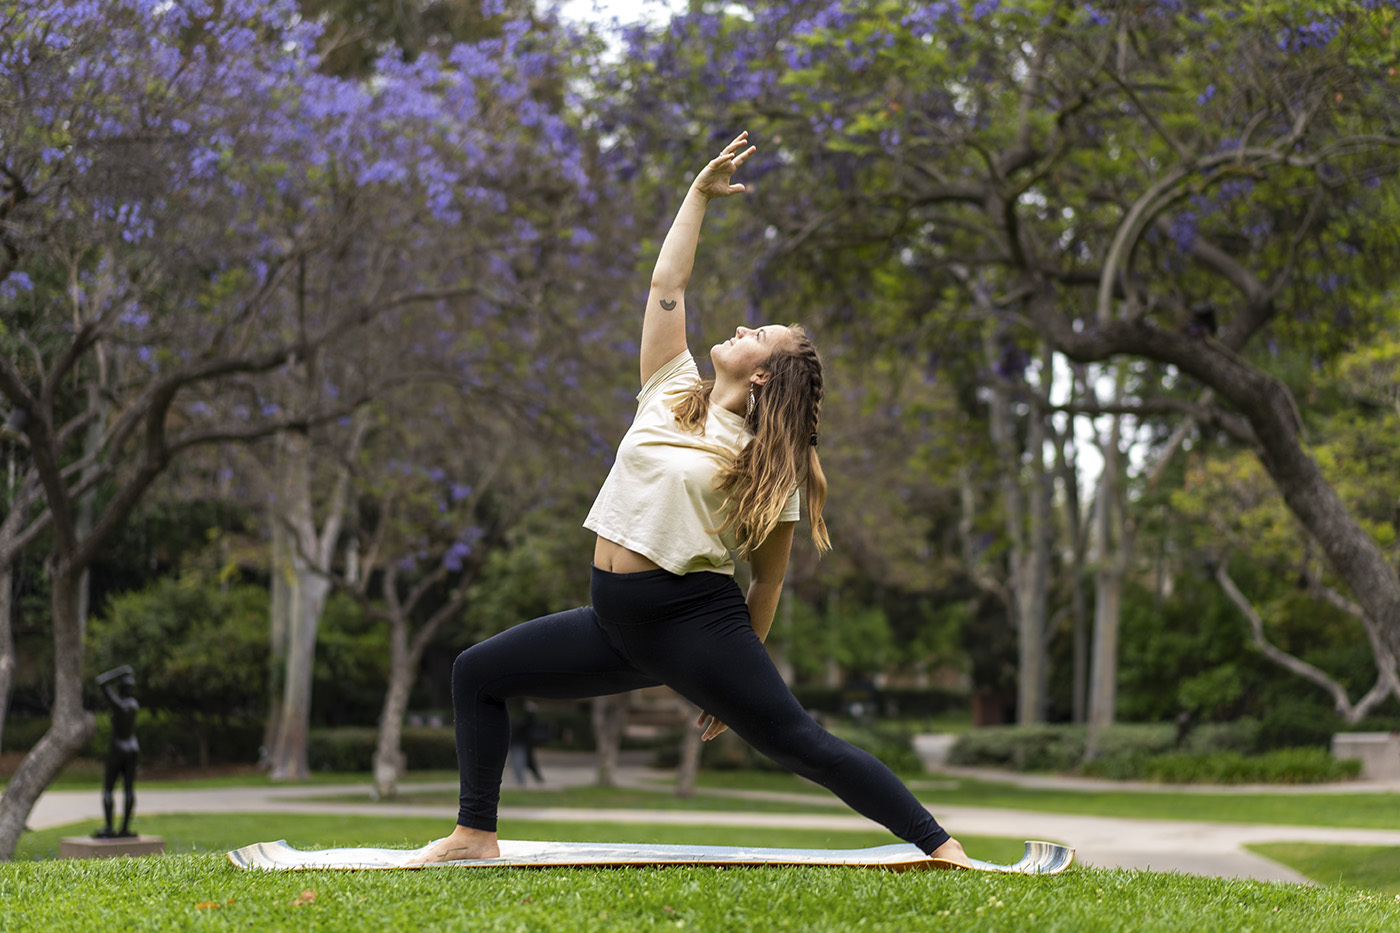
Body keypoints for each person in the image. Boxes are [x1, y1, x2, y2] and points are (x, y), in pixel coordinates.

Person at [410, 131, 970, 867]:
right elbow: (665, 284)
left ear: (766, 375)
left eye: (757, 333)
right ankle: (474, 834)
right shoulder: (671, 390)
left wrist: (732, 671)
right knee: (476, 672)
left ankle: (942, 846)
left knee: (799, 740)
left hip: (691, 623)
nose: (739, 327)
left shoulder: (769, 463)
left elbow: (767, 578)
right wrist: (697, 195)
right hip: (612, 618)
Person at [94, 665, 140, 839]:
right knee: (129, 789)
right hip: (133, 747)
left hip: (118, 748)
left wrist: (119, 672)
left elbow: (101, 682)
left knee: (108, 789)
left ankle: (109, 827)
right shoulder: (134, 704)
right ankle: (125, 828)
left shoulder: (120, 706)